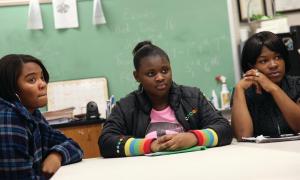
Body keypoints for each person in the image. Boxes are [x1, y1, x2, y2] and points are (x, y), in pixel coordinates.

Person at [99, 41, 232, 158]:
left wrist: (194, 138)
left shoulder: (193, 99)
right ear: (137, 76)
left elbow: (224, 129)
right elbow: (106, 142)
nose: (160, 77)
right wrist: (150, 146)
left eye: (164, 70)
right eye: (151, 74)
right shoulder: (126, 107)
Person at [0, 54, 83, 179]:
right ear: (12, 89)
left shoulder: (32, 114)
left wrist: (56, 155)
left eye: (42, 78)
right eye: (32, 80)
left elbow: (74, 146)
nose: (43, 84)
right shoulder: (9, 118)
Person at [231, 31, 300, 140]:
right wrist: (239, 89)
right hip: (261, 155)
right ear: (251, 66)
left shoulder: (297, 85)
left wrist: (273, 88)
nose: (274, 65)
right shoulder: (244, 93)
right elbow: (243, 136)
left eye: (278, 57)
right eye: (263, 61)